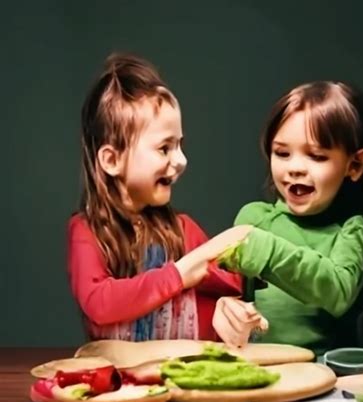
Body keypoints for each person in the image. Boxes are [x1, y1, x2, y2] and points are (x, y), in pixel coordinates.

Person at [68, 52, 263, 344]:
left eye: (180, 145)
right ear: (111, 160)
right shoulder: (86, 231)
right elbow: (99, 303)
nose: (181, 160)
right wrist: (179, 274)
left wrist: (229, 307)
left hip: (188, 375)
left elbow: (228, 284)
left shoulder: (183, 229)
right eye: (164, 148)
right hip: (122, 383)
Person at [215, 81, 363, 354]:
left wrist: (266, 250)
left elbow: (337, 290)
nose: (295, 168)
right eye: (282, 153)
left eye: (316, 156)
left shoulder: (351, 229)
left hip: (324, 376)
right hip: (255, 369)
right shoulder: (253, 218)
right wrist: (224, 307)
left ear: (354, 165)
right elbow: (220, 287)